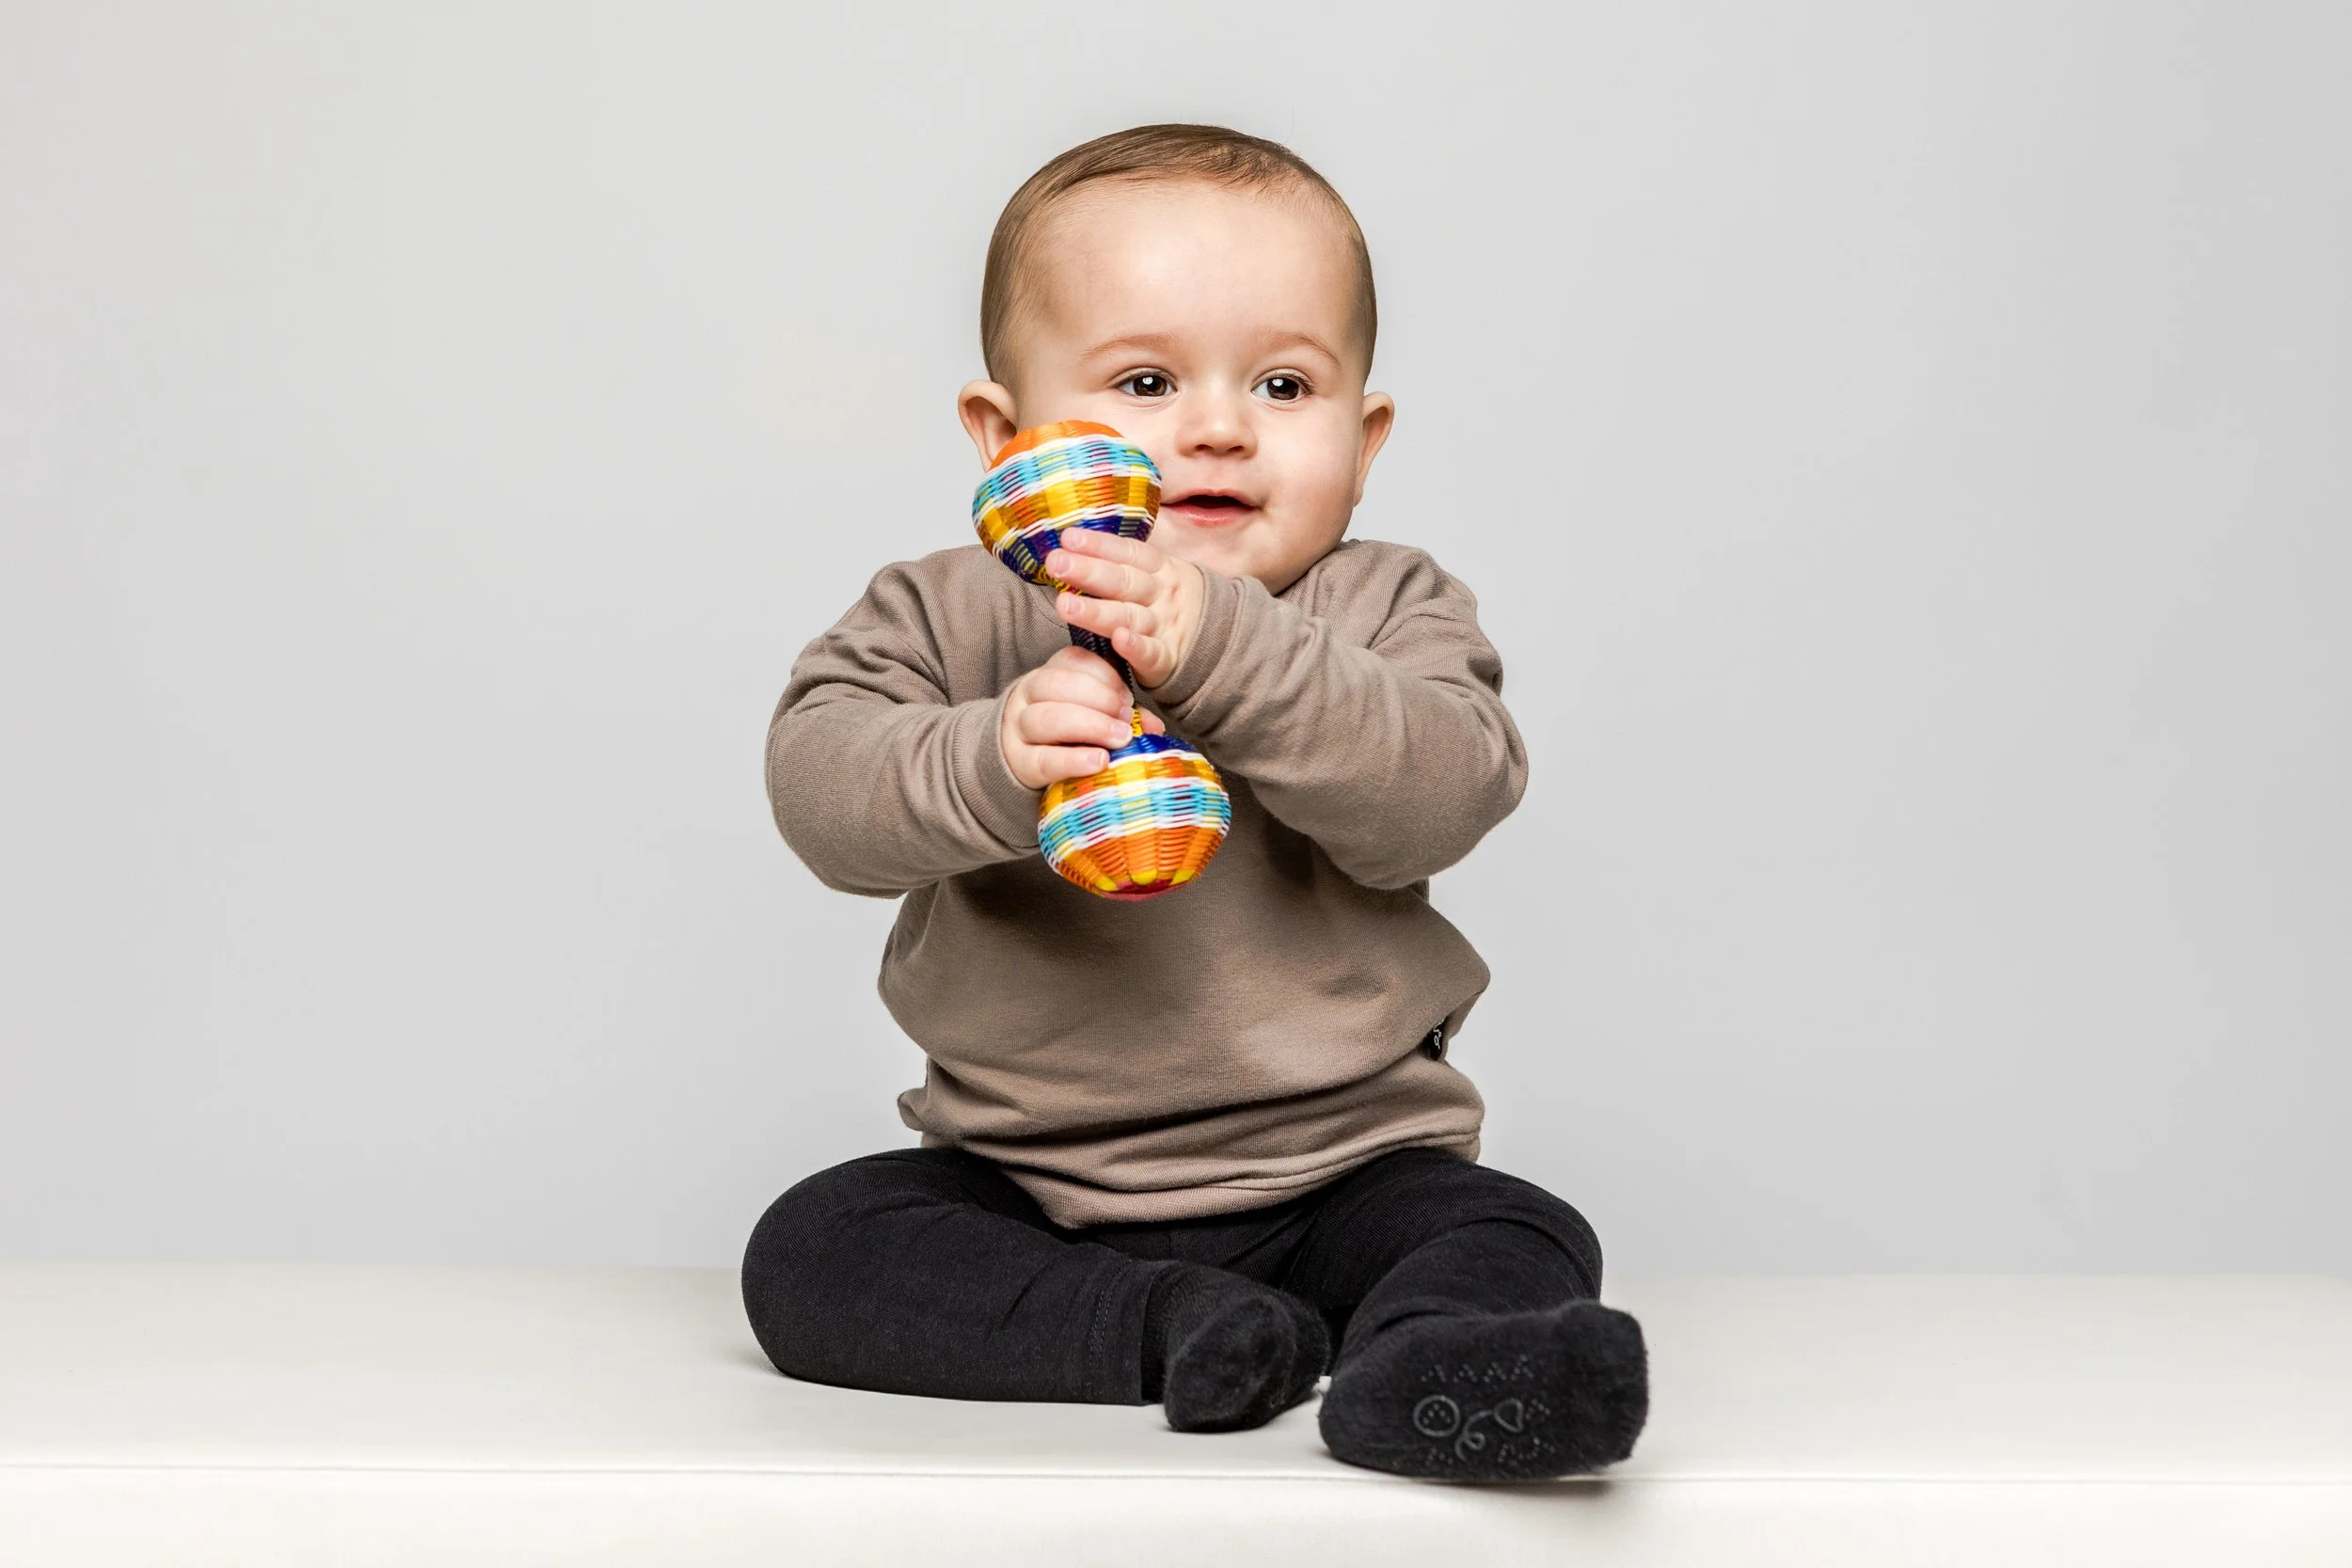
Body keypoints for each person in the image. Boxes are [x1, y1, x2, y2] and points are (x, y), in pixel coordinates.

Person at [743, 124, 1647, 1481]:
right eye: (1149, 379)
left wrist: (1219, 645)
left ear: (1365, 434)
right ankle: (1185, 1331)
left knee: (1519, 1232)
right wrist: (994, 755)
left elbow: (1442, 790)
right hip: (1027, 1184)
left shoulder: (1382, 602)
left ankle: (1441, 1369)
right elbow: (824, 789)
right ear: (1005, 435)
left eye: (1286, 383)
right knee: (812, 1252)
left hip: (1343, 1171)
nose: (1220, 425)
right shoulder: (945, 612)